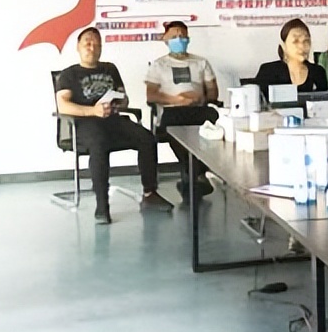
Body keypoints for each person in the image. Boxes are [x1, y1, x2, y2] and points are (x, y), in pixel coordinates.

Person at [56, 27, 174, 225]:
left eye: (96, 43)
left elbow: (124, 97)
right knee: (99, 144)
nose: (92, 47)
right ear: (78, 47)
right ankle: (102, 204)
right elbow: (63, 105)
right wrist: (93, 111)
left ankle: (150, 194)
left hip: (113, 120)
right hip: (85, 124)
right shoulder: (69, 74)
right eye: (87, 43)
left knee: (147, 138)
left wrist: (120, 103)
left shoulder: (110, 69)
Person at [145, 21, 220, 201]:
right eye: (174, 36)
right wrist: (177, 100)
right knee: (175, 127)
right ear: (165, 40)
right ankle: (198, 174)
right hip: (173, 111)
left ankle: (193, 176)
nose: (179, 39)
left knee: (215, 118)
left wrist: (200, 98)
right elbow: (151, 95)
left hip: (198, 109)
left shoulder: (201, 62)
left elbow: (212, 91)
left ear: (188, 39)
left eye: (182, 36)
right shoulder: (158, 65)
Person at [254, 18, 328, 100]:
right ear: (284, 46)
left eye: (306, 41)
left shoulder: (318, 72)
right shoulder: (268, 71)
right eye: (296, 41)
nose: (302, 46)